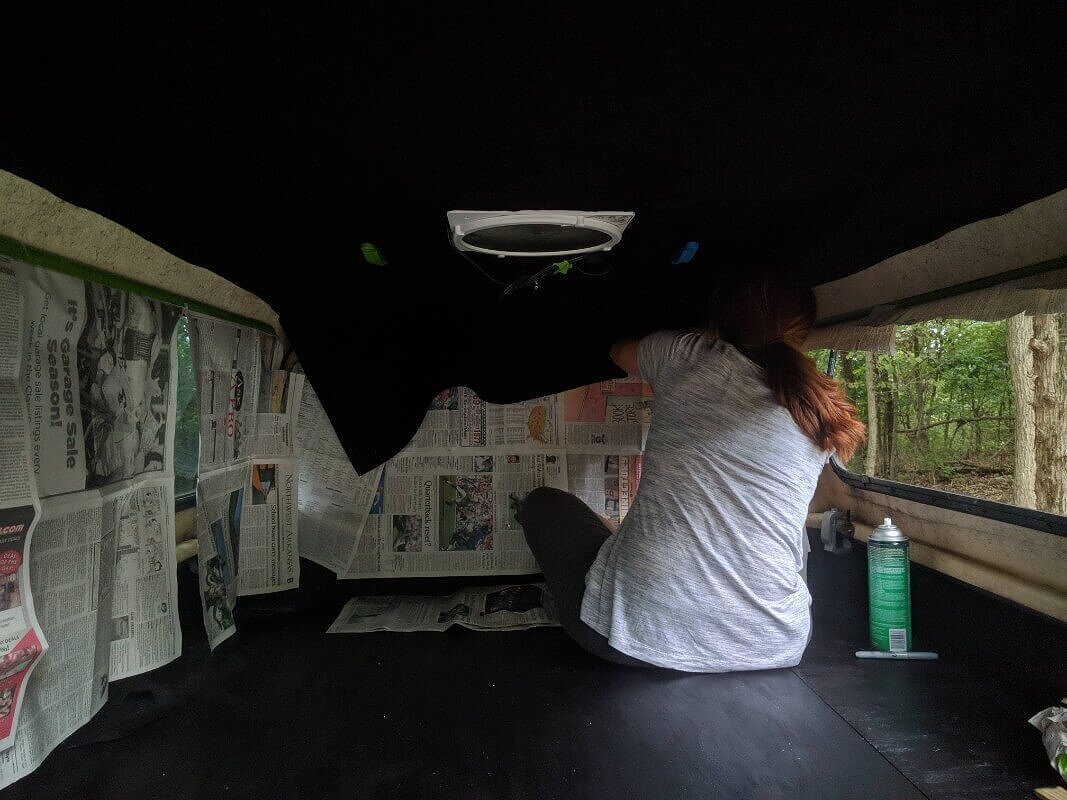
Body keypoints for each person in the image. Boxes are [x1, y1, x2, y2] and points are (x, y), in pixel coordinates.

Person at [518, 271, 866, 671]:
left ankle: (618, 545)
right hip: (772, 643)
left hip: (635, 634)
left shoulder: (687, 355)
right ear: (803, 332)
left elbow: (618, 352)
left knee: (542, 505)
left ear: (719, 321)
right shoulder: (818, 410)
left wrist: (699, 337)